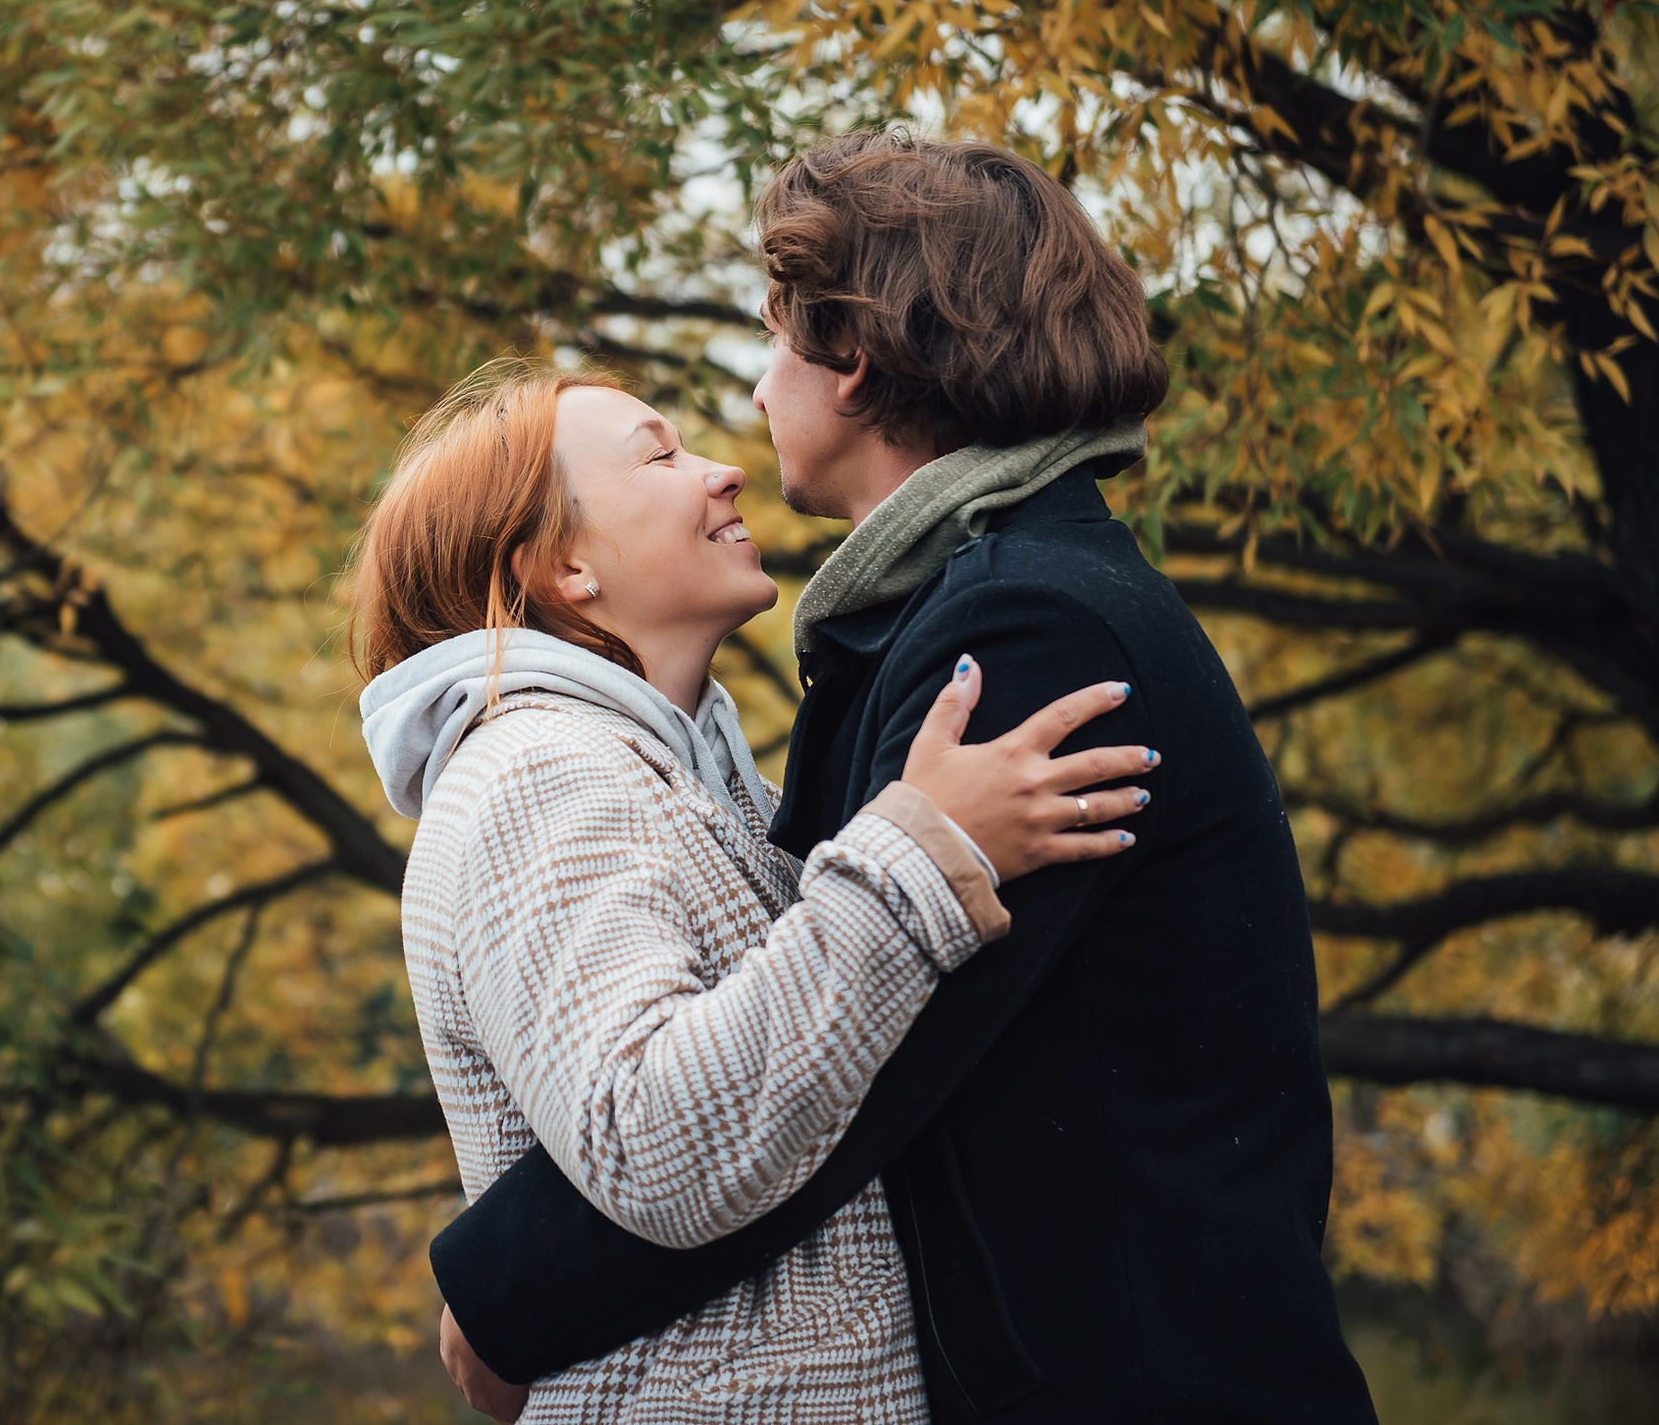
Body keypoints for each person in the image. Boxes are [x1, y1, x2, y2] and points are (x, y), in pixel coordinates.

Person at [426, 134, 1377, 1424]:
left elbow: (859, 1076)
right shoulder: (955, 611)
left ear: (855, 361)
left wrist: (505, 1293)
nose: (753, 408)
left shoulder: (1026, 630)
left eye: (775, 346)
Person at [354, 360, 1158, 1421]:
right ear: (561, 567)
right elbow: (653, 1140)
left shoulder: (681, 783)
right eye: (660, 454)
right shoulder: (535, 774)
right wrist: (921, 851)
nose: (725, 470)